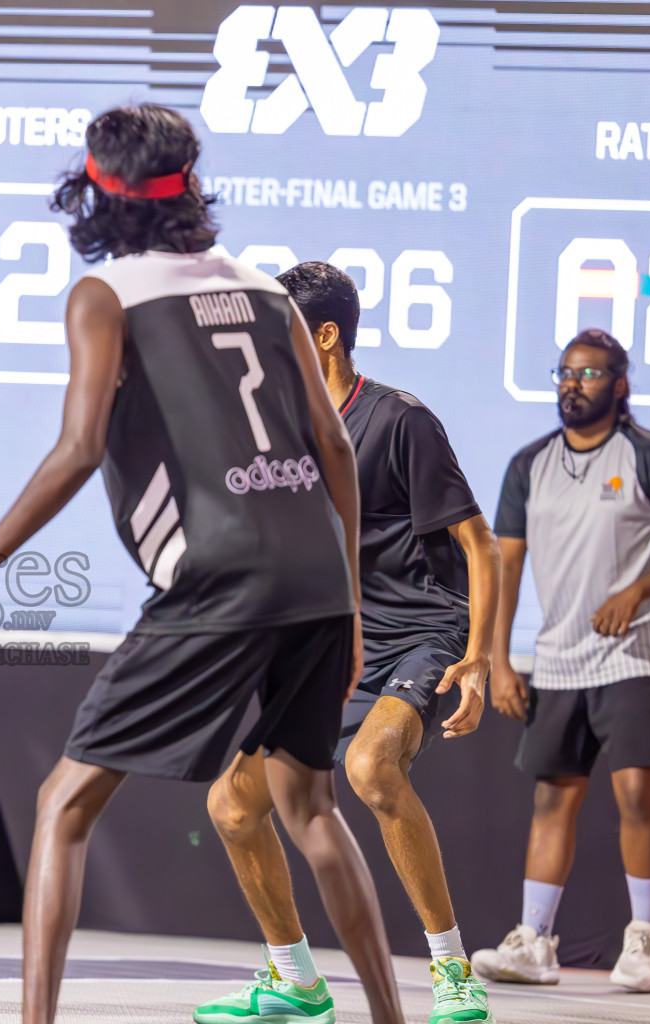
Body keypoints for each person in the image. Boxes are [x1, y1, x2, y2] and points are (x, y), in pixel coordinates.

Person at [0, 105, 403, 1024]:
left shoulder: (108, 295)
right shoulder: (269, 291)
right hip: (317, 579)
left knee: (62, 803)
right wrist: (354, 603)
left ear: (98, 191)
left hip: (219, 574)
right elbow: (333, 442)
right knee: (310, 807)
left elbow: (78, 449)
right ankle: (390, 1018)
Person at [271, 262, 499, 1023]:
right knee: (232, 804)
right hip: (340, 642)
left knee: (371, 768)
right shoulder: (282, 426)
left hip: (424, 634)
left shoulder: (401, 419)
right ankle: (294, 982)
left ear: (326, 335)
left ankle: (452, 971)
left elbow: (480, 545)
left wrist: (481, 658)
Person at [471, 329, 650, 993]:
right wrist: (499, 659)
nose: (573, 385)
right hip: (557, 658)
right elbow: (505, 563)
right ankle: (534, 941)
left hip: (632, 654)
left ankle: (643, 940)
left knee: (634, 791)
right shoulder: (529, 464)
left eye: (590, 374)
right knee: (553, 800)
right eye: (565, 374)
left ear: (620, 385)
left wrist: (637, 591)